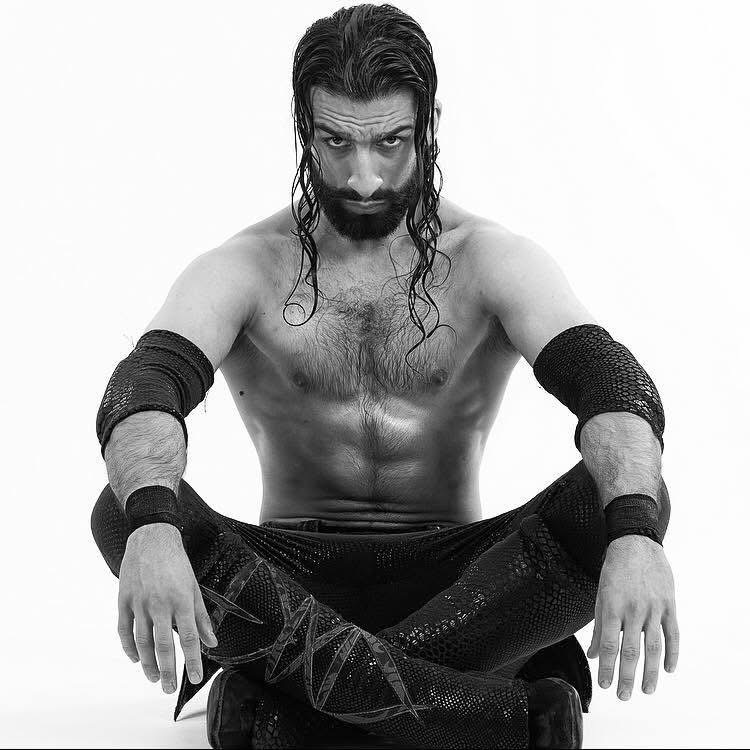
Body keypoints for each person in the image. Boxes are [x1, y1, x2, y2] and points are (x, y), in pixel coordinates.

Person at [91, 4, 679, 748]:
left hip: (466, 587)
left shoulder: (491, 260)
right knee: (123, 507)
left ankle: (288, 712)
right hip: (287, 584)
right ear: (304, 130)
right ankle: (493, 719)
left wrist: (636, 535)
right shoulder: (243, 268)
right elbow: (144, 390)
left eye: (390, 142)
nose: (363, 177)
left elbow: (612, 388)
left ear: (428, 126)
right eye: (335, 142)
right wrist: (150, 523)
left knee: (628, 494)